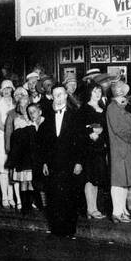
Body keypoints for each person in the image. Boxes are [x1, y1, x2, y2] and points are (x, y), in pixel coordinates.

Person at [37, 86, 84, 237]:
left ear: (65, 96)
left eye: (61, 95)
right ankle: (56, 228)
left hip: (70, 162)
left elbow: (81, 140)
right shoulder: (48, 116)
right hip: (53, 163)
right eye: (55, 95)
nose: (58, 98)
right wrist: (44, 161)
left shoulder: (75, 115)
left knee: (70, 195)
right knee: (53, 195)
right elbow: (43, 142)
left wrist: (79, 162)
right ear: (52, 97)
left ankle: (69, 229)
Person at [105, 79, 131, 223]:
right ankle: (117, 212)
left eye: (124, 93)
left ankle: (123, 210)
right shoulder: (113, 108)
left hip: (125, 149)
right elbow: (118, 130)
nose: (123, 96)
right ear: (116, 94)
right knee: (118, 182)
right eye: (121, 93)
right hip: (119, 149)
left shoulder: (120, 108)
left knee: (125, 181)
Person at [78, 82, 110, 221]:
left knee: (96, 178)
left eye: (99, 92)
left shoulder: (103, 108)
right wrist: (90, 131)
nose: (97, 94)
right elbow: (79, 127)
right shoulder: (84, 108)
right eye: (94, 91)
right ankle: (90, 209)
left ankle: (94, 208)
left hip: (100, 148)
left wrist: (101, 132)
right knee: (89, 178)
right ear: (89, 93)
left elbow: (106, 128)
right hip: (89, 148)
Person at [9, 101, 41, 213]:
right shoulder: (18, 120)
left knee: (31, 181)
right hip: (23, 157)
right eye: (21, 107)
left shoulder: (38, 120)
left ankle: (31, 204)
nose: (24, 109)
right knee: (24, 181)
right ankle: (25, 206)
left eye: (25, 106)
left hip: (33, 157)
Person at [0, 80, 17, 207]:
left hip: (15, 139)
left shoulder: (15, 102)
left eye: (9, 88)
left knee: (12, 168)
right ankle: (4, 197)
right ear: (1, 91)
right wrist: (10, 134)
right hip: (3, 138)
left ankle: (12, 197)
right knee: (3, 169)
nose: (7, 91)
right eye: (5, 89)